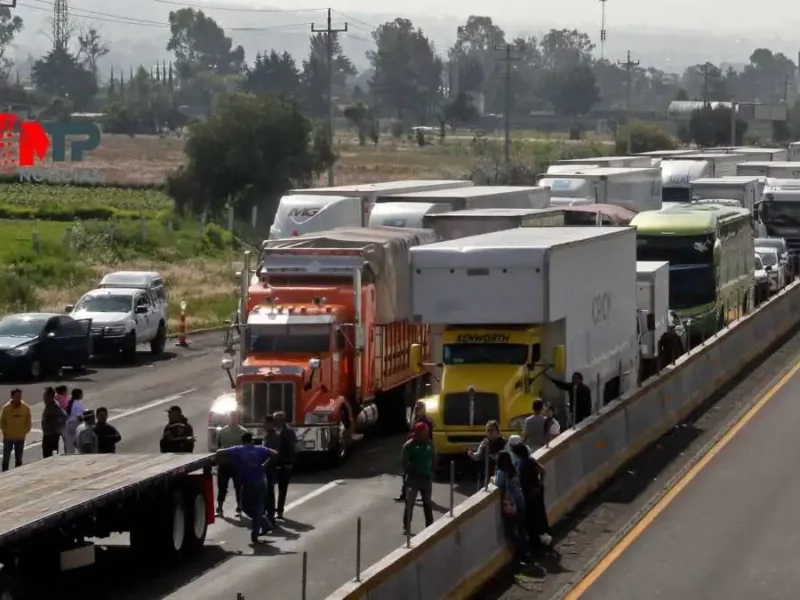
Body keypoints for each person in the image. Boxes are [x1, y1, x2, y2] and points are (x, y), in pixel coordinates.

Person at [217, 431, 278, 544]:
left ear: (242, 440)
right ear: (252, 440)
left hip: (248, 482)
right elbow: (274, 453)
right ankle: (264, 524)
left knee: (246, 507)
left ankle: (256, 533)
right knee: (258, 507)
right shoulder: (260, 449)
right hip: (261, 481)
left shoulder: (238, 449)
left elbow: (220, 452)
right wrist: (265, 464)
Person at [509, 441, 553, 548]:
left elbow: (542, 471)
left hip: (533, 493)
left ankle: (541, 538)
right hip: (525, 492)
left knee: (537, 515)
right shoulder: (518, 463)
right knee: (529, 517)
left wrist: (539, 485)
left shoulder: (530, 461)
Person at [396, 400, 436, 502]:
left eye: (419, 409)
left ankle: (426, 497)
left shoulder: (427, 422)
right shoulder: (415, 419)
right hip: (413, 448)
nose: (417, 410)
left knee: (425, 474)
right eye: (416, 408)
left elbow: (428, 437)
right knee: (407, 473)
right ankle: (404, 494)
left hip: (422, 449)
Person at [495, 450, 530, 563]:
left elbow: (498, 483)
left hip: (510, 504)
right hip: (520, 502)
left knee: (510, 532)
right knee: (521, 528)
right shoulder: (514, 470)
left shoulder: (501, 472)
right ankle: (526, 551)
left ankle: (521, 552)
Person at [401, 421, 435, 536]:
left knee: (427, 503)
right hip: (413, 479)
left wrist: (432, 470)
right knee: (410, 503)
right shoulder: (409, 446)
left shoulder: (429, 444)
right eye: (425, 431)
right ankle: (406, 526)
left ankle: (430, 526)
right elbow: (404, 462)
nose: (427, 432)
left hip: (426, 479)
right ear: (419, 432)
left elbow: (434, 457)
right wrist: (408, 473)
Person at [216, 411, 248, 516]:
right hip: (224, 463)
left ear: (238, 419)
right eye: (230, 417)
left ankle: (240, 507)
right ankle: (219, 508)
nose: (232, 419)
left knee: (238, 486)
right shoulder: (222, 431)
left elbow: (246, 447)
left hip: (237, 463)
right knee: (222, 486)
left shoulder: (243, 431)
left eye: (235, 417)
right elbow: (218, 446)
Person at [273, 411, 297, 520]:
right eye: (275, 419)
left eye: (278, 419)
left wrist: (290, 463)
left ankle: (280, 511)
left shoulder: (289, 432)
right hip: (272, 463)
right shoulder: (271, 431)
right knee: (269, 488)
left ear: (283, 420)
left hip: (284, 463)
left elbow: (292, 449)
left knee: (282, 489)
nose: (276, 422)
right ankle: (271, 509)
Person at [0, 389, 31, 471]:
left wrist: (26, 430)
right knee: (6, 458)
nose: (18, 398)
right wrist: (5, 432)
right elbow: (2, 422)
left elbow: (28, 420)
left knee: (19, 459)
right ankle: (4, 474)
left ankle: (18, 473)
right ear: (12, 396)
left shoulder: (25, 408)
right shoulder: (6, 408)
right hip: (8, 437)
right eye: (16, 396)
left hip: (20, 436)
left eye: (20, 396)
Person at [468, 420, 506, 484]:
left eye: (491, 430)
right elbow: (478, 455)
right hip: (488, 474)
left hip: (500, 476)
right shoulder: (484, 443)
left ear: (497, 431)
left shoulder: (504, 443)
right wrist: (472, 455)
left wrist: (496, 456)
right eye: (488, 431)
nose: (489, 433)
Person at [262, 415, 281, 523]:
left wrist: (265, 464)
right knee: (265, 492)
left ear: (270, 424)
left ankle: (270, 516)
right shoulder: (267, 435)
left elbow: (274, 454)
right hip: (266, 468)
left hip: (271, 468)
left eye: (265, 423)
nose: (263, 425)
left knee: (269, 492)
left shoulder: (274, 437)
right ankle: (266, 514)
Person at [41, 387, 67, 459]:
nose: (43, 398)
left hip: (52, 438)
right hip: (48, 436)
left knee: (51, 459)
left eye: (45, 396)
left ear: (49, 396)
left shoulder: (54, 408)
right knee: (47, 458)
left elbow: (63, 419)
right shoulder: (49, 405)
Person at [64, 388, 86, 454]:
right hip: (76, 425)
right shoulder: (78, 403)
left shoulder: (70, 402)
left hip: (69, 425)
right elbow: (79, 417)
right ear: (79, 395)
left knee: (70, 445)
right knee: (79, 444)